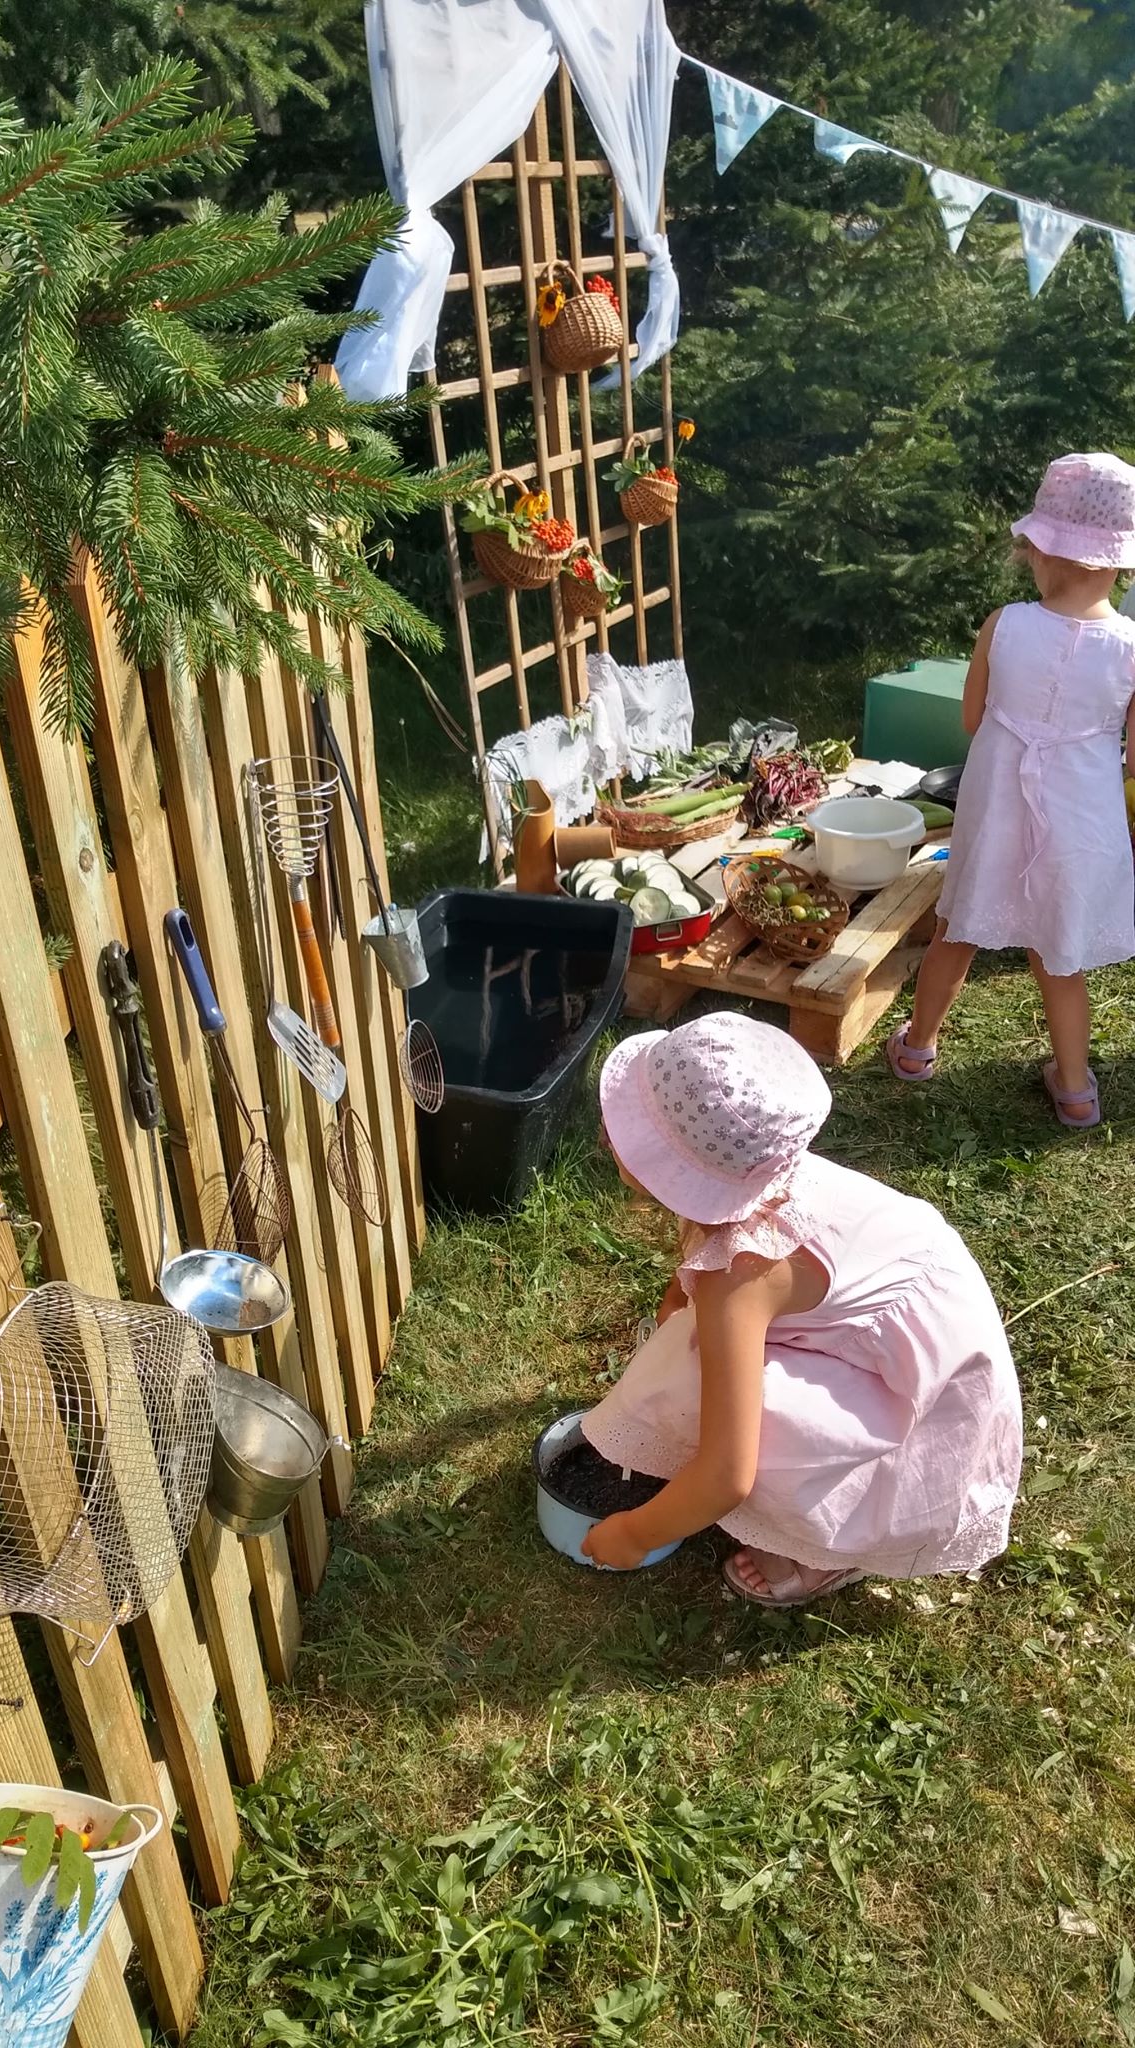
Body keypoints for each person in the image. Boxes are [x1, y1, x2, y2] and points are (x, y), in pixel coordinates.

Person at [579, 1013, 1022, 1606]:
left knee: (692, 1380)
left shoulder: (741, 1274)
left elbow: (726, 1476)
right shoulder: (766, 1172)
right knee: (692, 1350)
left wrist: (634, 1534)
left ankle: (828, 1549)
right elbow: (697, 1270)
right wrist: (678, 1300)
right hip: (919, 1348)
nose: (608, 1133)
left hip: (929, 1421)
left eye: (629, 1130)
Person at [887, 451, 1135, 1127]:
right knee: (1060, 959)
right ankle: (1076, 1088)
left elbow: (973, 718)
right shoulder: (1130, 647)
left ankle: (916, 1047)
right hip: (1078, 826)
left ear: (1039, 551)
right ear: (1119, 561)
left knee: (956, 930)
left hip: (996, 810)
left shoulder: (1005, 624)